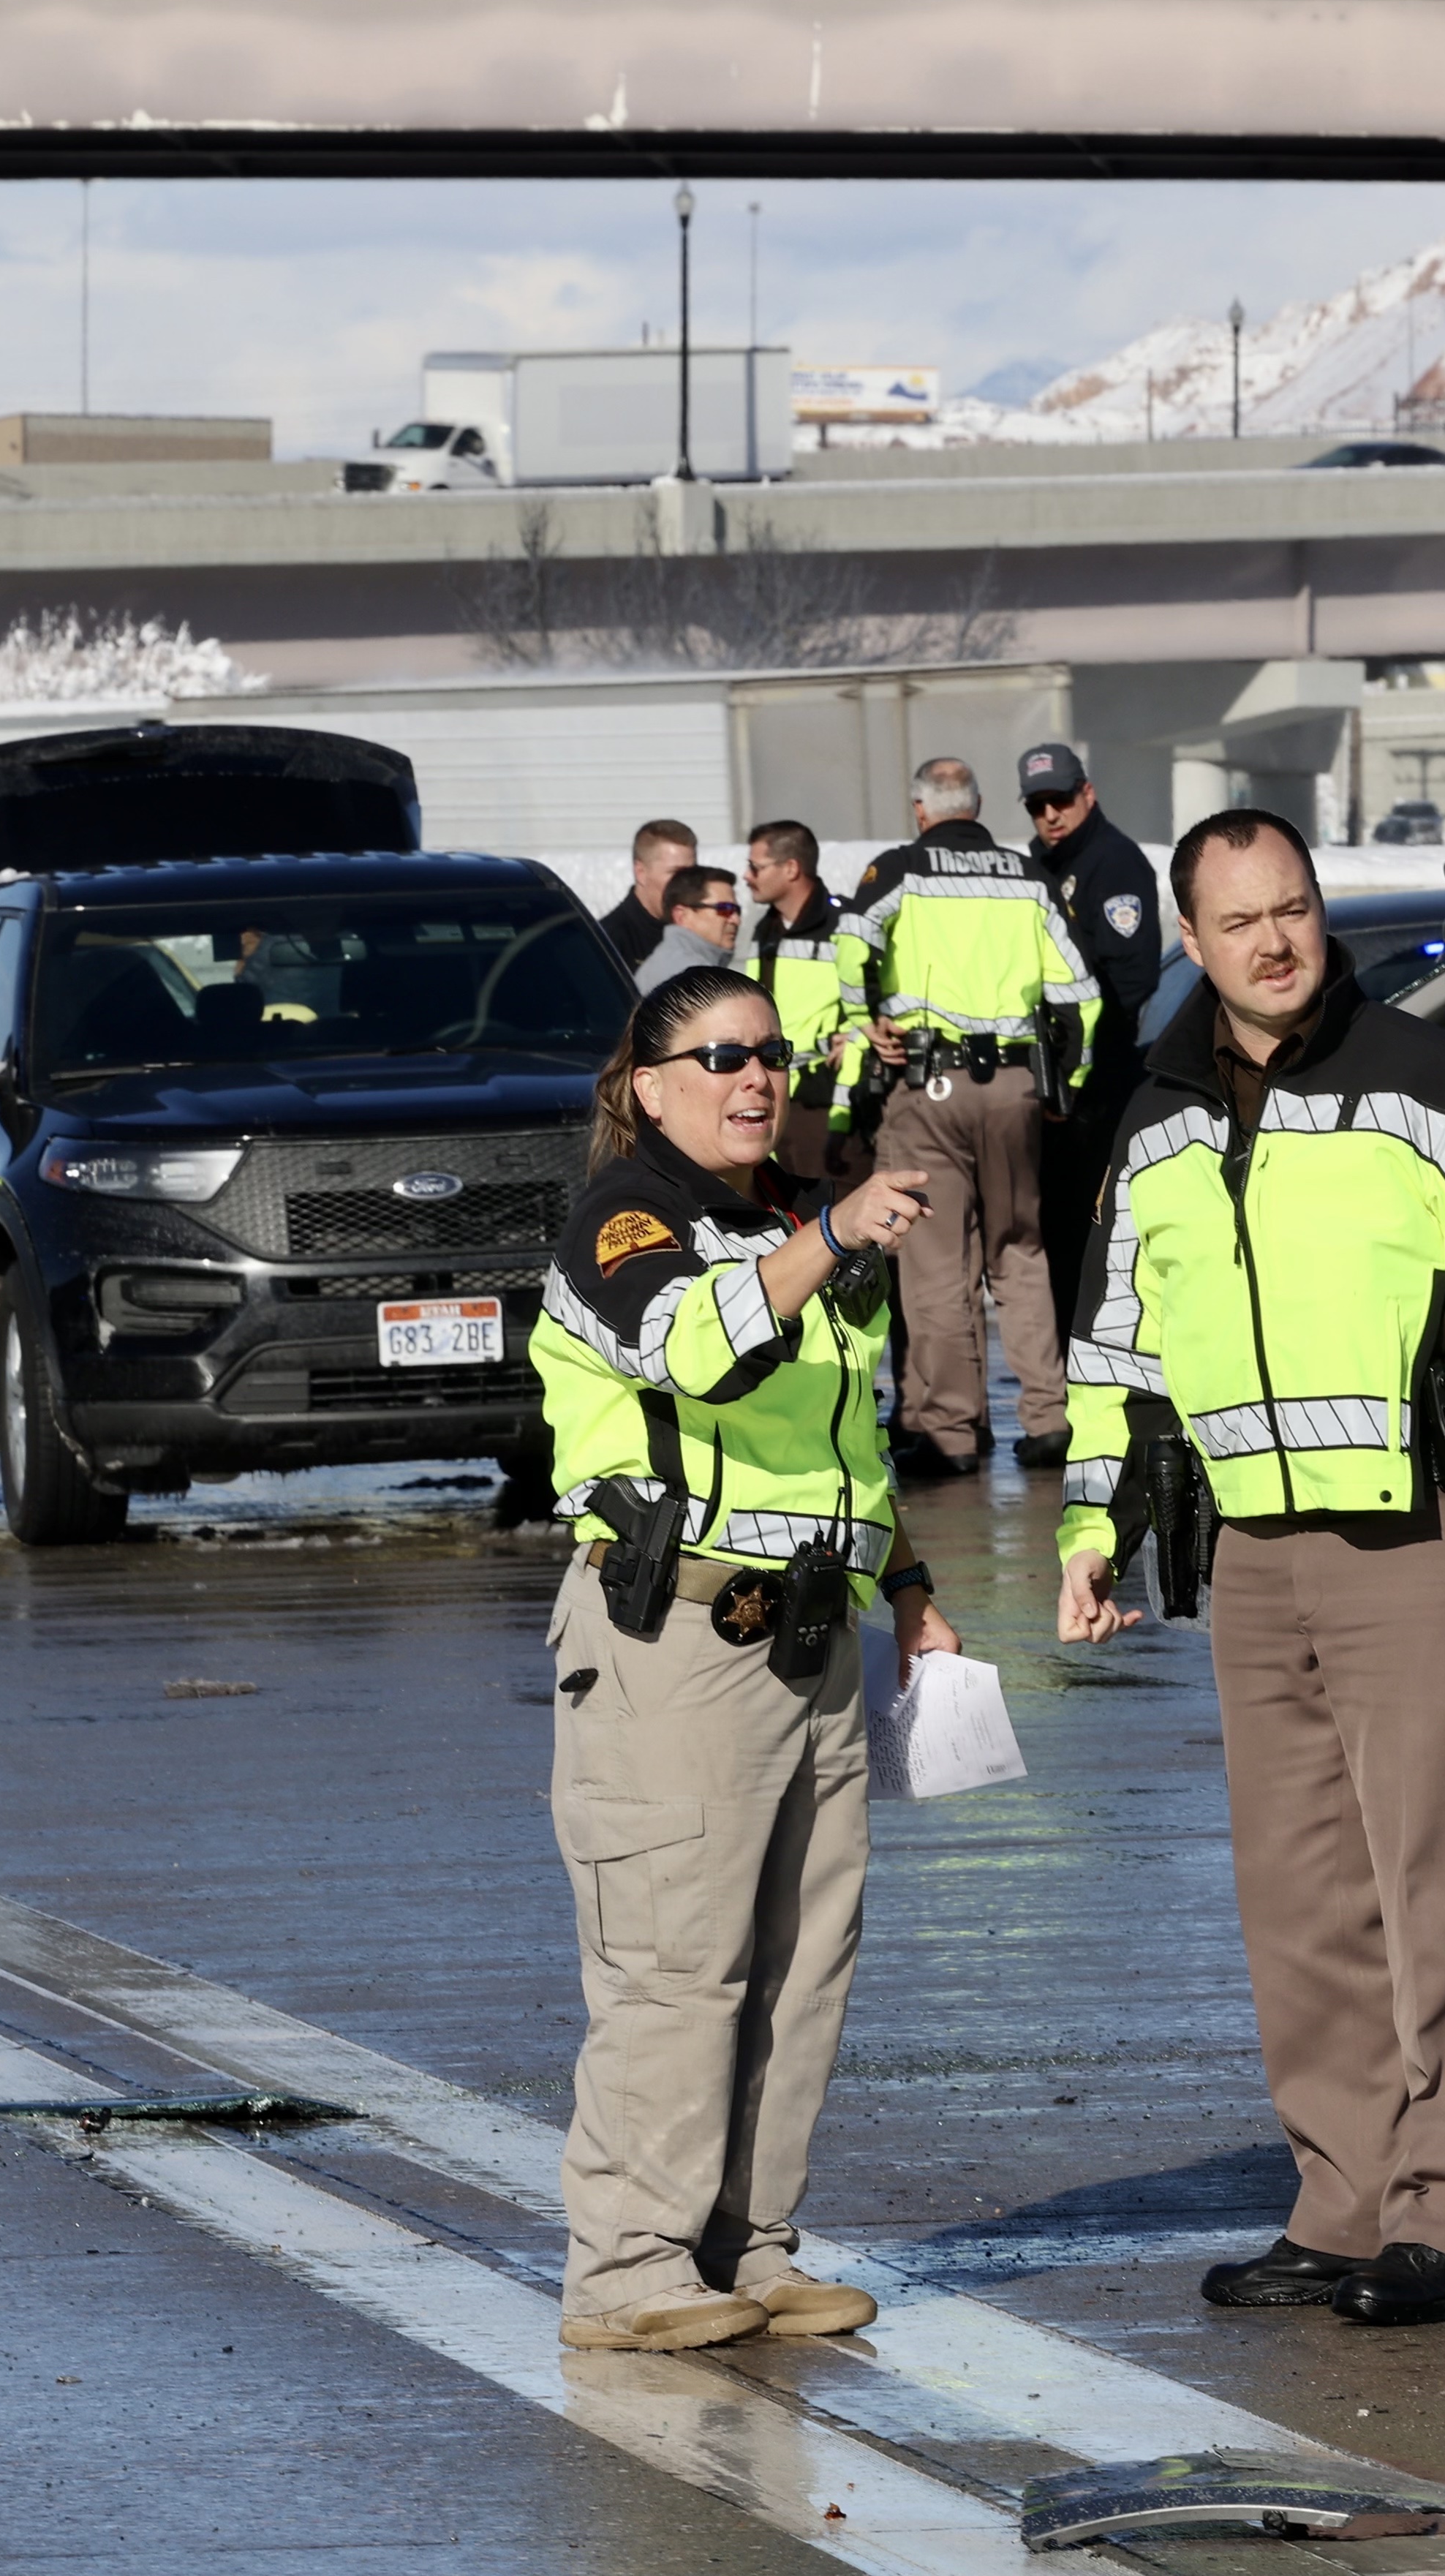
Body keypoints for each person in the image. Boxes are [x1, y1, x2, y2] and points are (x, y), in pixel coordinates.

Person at [1053, 810, 1445, 2330]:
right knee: (1301, 1907)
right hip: (1254, 1559)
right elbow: (1113, 1353)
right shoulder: (1158, 1117)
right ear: (1190, 941)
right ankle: (1344, 2203)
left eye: (1294, 907)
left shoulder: (1439, 1090)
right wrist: (1094, 1528)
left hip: (1425, 1546)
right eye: (1240, 920)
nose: (1275, 941)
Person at [531, 963, 955, 2354]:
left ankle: (746, 2245)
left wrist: (911, 1588)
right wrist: (830, 1231)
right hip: (675, 1636)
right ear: (650, 1087)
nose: (755, 1076)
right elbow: (693, 1352)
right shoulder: (626, 1219)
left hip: (816, 1633)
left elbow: (847, 1446)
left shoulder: (785, 1222)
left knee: (800, 1964)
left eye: (769, 1052)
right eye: (718, 1056)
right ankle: (628, 2268)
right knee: (675, 1963)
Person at [838, 755, 1098, 1479]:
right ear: (978, 807)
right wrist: (1065, 1086)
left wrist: (864, 1022)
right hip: (1016, 1087)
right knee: (1021, 1253)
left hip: (928, 1084)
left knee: (937, 1264)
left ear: (921, 810)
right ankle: (1048, 1419)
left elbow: (851, 941)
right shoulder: (1029, 876)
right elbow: (1082, 992)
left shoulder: (899, 871)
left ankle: (952, 1432)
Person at [1021, 744, 1163, 1325]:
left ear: (1087, 793)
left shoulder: (1114, 863)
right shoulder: (1038, 863)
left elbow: (1133, 977)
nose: (1050, 815)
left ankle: (1088, 1349)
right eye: (1038, 806)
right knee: (1054, 1235)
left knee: (1088, 1236)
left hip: (1098, 1080)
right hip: (1053, 1080)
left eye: (1060, 800)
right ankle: (1063, 1351)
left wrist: (1076, 1045)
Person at [742, 819, 854, 1184]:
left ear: (791, 868)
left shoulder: (846, 923)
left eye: (756, 867)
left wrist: (856, 1036)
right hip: (771, 1091)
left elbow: (882, 995)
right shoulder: (765, 928)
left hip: (827, 1102)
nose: (747, 876)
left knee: (829, 1206)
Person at [599, 818, 703, 972]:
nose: (687, 884)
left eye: (692, 873)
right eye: (676, 873)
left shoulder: (699, 933)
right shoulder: (608, 944)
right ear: (641, 872)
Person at [628, 862, 745, 993]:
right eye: (725, 909)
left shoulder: (670, 962)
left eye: (737, 910)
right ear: (681, 916)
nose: (736, 920)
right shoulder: (692, 977)